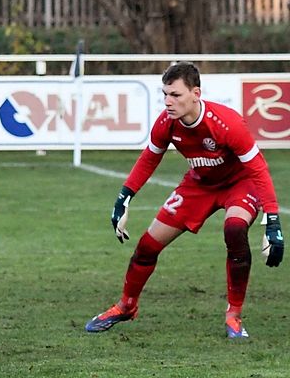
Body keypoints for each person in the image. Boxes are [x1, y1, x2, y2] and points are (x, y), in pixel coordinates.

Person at [86, 61, 283, 339]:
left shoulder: (226, 123)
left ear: (196, 94)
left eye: (175, 95)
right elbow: (149, 159)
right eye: (165, 94)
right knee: (147, 245)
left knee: (235, 229)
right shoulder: (166, 123)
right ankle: (126, 306)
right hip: (199, 185)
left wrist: (272, 219)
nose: (168, 101)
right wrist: (124, 198)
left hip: (240, 184)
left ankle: (233, 316)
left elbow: (258, 169)